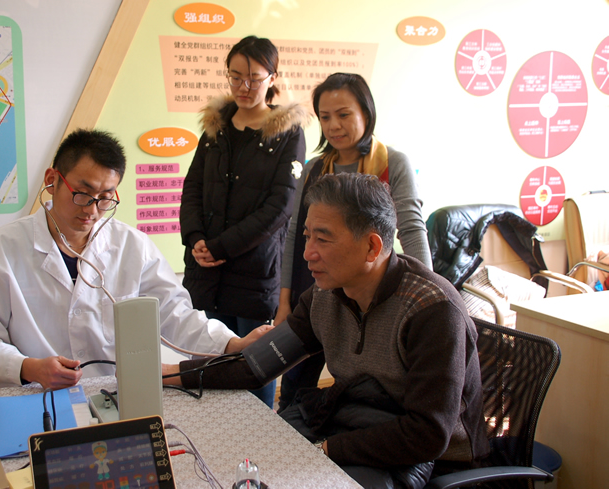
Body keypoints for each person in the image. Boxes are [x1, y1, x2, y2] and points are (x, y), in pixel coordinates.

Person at [164, 173, 488, 488]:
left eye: (323, 238)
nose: (308, 253)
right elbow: (256, 365)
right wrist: (169, 375)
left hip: (435, 463)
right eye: (307, 236)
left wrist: (326, 449)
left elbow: (427, 434)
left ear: (372, 247)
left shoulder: (431, 309)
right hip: (359, 429)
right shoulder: (325, 295)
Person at [0, 129, 269, 390]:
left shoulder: (132, 246)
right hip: (33, 395)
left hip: (115, 393)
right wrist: (27, 367)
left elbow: (174, 314)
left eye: (105, 198)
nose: (91, 210)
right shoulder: (1, 248)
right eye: (82, 193)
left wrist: (231, 344)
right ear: (52, 180)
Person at [275, 73, 432, 411]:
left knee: (364, 392)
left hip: (366, 297)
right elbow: (294, 235)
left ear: (366, 112)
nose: (333, 125)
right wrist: (284, 301)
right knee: (293, 388)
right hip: (313, 293)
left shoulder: (392, 163)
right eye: (325, 117)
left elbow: (411, 228)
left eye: (344, 114)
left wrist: (430, 293)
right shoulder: (315, 168)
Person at [179, 35, 309, 407]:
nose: (244, 86)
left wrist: (221, 246)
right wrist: (195, 238)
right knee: (210, 368)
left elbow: (280, 206)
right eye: (235, 77)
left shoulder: (287, 133)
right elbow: (193, 187)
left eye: (254, 78)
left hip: (254, 274)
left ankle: (256, 442)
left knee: (256, 369)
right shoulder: (215, 127)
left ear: (272, 78)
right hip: (208, 273)